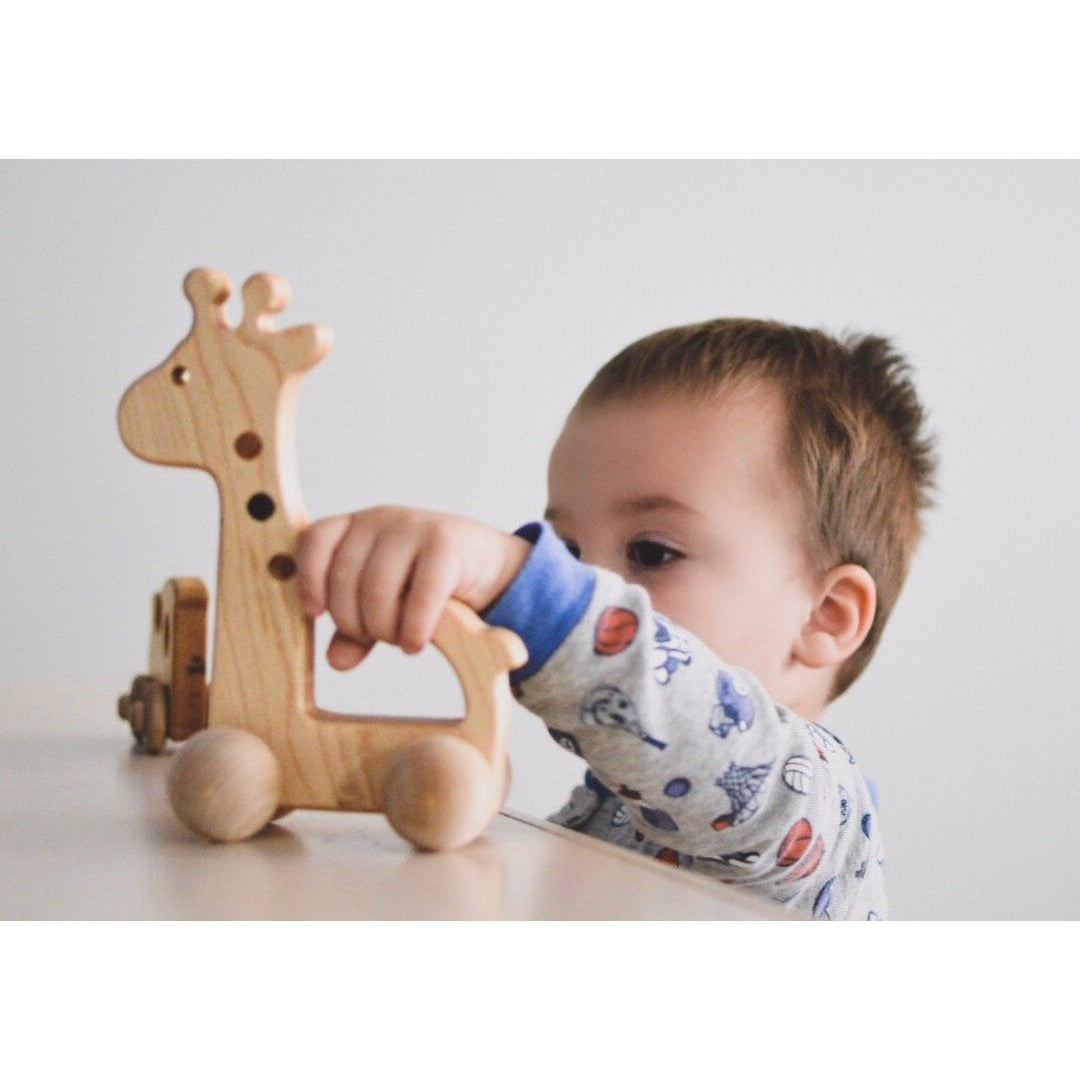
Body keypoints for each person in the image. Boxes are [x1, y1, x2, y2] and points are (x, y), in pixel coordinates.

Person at [296, 318, 936, 920]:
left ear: (825, 617)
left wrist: (516, 581)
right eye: (567, 553)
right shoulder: (607, 813)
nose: (592, 587)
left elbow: (695, 721)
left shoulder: (810, 806)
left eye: (651, 553)